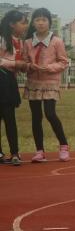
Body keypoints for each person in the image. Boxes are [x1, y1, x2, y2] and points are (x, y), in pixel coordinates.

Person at [24, 8, 70, 162]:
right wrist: (29, 66)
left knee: (50, 113)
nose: (41, 23)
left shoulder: (56, 41)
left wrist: (49, 68)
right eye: (37, 20)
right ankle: (40, 151)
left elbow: (63, 62)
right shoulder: (28, 42)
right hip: (33, 82)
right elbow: (24, 62)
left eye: (44, 20)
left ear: (50, 22)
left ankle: (63, 146)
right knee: (36, 117)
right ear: (33, 23)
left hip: (50, 82)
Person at [0, 10, 30, 166]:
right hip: (2, 79)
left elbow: (20, 63)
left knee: (10, 117)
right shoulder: (2, 39)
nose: (26, 25)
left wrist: (24, 66)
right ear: (12, 24)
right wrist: (15, 64)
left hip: (9, 81)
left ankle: (14, 153)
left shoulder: (20, 42)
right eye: (23, 22)